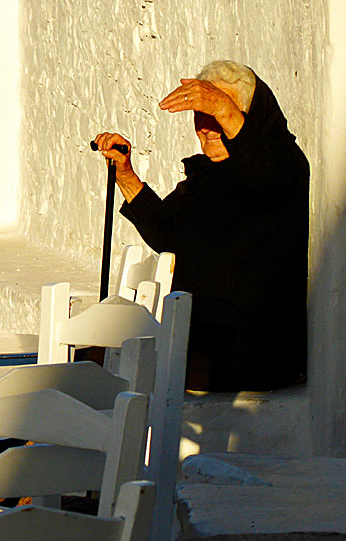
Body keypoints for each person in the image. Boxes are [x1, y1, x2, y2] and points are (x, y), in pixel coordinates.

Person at [94, 60, 309, 391]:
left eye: (219, 114)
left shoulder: (283, 161)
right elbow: (168, 232)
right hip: (198, 343)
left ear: (247, 117)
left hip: (251, 356)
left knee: (111, 369)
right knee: (85, 363)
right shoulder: (210, 175)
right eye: (201, 114)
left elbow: (265, 177)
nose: (208, 127)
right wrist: (124, 173)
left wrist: (223, 107)